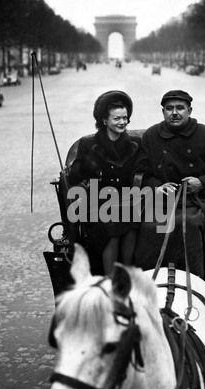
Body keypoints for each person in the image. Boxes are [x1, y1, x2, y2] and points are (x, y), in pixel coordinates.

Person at [133, 90, 205, 277]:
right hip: (162, 203)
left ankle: (193, 280)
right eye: (169, 108)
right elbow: (141, 172)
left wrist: (202, 182)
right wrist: (157, 187)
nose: (174, 113)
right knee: (149, 226)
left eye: (180, 108)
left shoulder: (204, 134)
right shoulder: (151, 136)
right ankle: (150, 281)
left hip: (197, 201)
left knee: (187, 223)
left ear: (189, 110)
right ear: (163, 112)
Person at [67, 90, 141, 275]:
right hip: (97, 203)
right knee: (112, 227)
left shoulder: (135, 143)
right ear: (104, 121)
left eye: (125, 118)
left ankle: (127, 273)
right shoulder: (88, 144)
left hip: (128, 201)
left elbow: (143, 169)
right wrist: (87, 170)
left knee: (132, 226)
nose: (122, 122)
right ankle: (110, 278)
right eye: (117, 119)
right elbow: (76, 176)